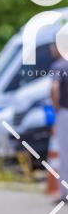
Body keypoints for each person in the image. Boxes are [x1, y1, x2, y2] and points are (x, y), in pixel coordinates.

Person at [49, 42, 68, 202]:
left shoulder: (59, 66)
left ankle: (65, 193)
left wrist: (56, 107)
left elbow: (55, 88)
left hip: (65, 112)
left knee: (65, 153)